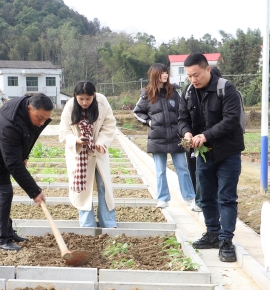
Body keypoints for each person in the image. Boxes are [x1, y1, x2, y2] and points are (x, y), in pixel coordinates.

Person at [178, 53, 245, 262]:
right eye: (189, 76)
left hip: (228, 152)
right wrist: (187, 133)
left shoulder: (226, 89)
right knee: (205, 196)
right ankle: (213, 233)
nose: (193, 79)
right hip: (203, 154)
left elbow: (231, 120)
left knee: (226, 197)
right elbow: (182, 119)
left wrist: (205, 135)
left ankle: (226, 240)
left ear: (208, 69)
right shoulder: (188, 92)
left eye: (196, 75)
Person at [0, 92, 53, 251]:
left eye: (45, 119)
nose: (42, 122)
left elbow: (29, 137)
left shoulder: (26, 115)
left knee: (5, 194)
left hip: (3, 153)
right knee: (2, 194)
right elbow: (13, 164)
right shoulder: (9, 125)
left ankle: (7, 232)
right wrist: (35, 192)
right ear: (29, 108)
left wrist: (24, 155)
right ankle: (1, 238)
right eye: (40, 118)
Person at [133, 63, 197, 210]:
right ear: (155, 75)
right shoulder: (147, 94)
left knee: (182, 168)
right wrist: (148, 121)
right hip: (157, 138)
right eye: (162, 73)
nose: (165, 75)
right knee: (160, 171)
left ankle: (189, 197)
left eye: (166, 72)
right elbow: (137, 112)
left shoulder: (173, 92)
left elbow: (183, 111)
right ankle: (163, 198)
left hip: (176, 137)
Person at [59, 81, 118, 228]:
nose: (84, 102)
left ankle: (108, 222)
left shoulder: (102, 102)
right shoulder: (70, 106)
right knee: (83, 188)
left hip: (98, 152)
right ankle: (87, 224)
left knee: (103, 185)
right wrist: (76, 141)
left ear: (94, 96)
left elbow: (109, 124)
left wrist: (101, 142)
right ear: (75, 96)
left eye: (88, 99)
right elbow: (64, 132)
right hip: (79, 154)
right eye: (81, 99)